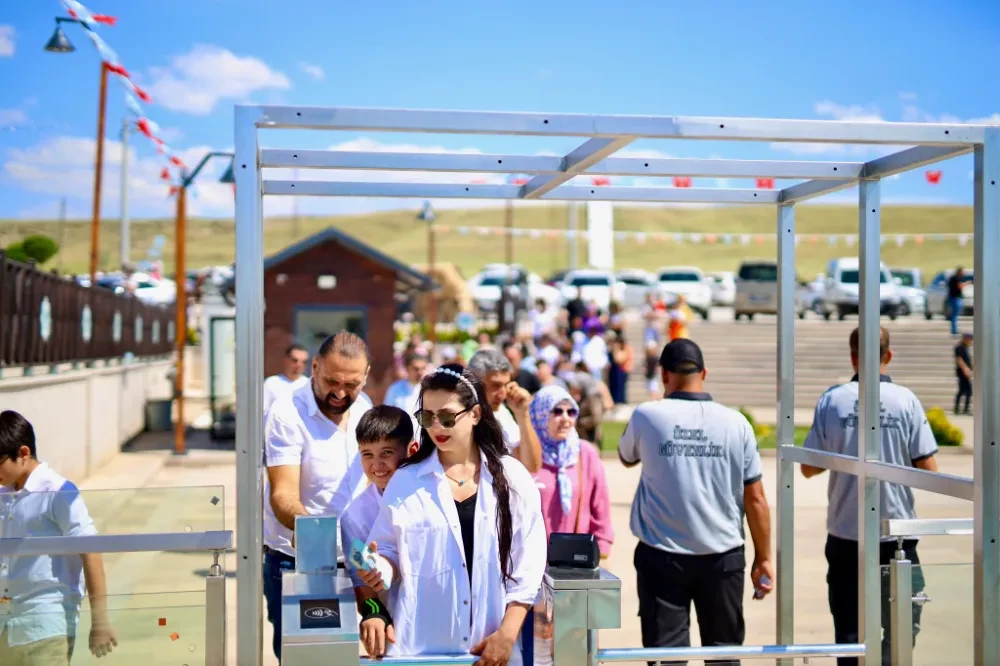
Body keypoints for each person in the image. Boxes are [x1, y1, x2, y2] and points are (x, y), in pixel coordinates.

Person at [358, 364, 546, 665]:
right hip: (420, 648)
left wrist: (507, 634)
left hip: (490, 648)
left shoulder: (512, 478)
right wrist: (378, 566)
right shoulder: (406, 480)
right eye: (426, 417)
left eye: (446, 417)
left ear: (475, 414)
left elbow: (529, 563)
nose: (436, 427)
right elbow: (389, 546)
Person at [618, 339, 773, 666]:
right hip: (723, 558)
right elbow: (755, 498)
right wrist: (764, 557)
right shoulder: (737, 423)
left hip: (662, 555)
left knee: (667, 658)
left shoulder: (648, 415)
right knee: (723, 655)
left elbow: (627, 457)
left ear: (664, 375)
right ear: (704, 373)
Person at [801, 326, 938, 666]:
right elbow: (930, 469)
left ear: (852, 357)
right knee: (902, 627)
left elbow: (807, 468)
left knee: (849, 633)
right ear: (888, 357)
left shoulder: (832, 399)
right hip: (897, 538)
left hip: (846, 534)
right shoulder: (906, 400)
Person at [262, 331, 374, 662]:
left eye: (352, 384)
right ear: (314, 366)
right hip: (299, 562)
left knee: (349, 655)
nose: (340, 393)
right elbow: (282, 492)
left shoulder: (364, 407)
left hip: (356, 559)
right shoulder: (287, 413)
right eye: (332, 381)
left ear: (366, 376)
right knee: (307, 659)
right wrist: (310, 529)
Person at [0, 410, 117, 665]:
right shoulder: (3, 494)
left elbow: (91, 551)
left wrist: (100, 621)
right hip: (5, 627)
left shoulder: (59, 491)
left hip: (46, 624)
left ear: (23, 453)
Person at [340, 405, 419, 660]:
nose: (377, 465)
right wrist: (375, 613)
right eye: (367, 454)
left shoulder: (436, 494)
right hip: (397, 630)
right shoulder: (354, 517)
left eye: (387, 453)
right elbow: (362, 586)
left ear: (411, 450)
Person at [467, 349, 543, 473]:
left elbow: (531, 466)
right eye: (496, 385)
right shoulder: (458, 416)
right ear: (474, 382)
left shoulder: (503, 413)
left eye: (506, 384)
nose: (503, 393)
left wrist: (522, 414)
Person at [263, 344, 309, 415]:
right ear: (286, 360)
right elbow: (262, 411)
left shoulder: (310, 385)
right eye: (295, 360)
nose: (299, 365)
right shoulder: (271, 383)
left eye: (304, 362)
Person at [945, 266, 972, 336]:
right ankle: (954, 330)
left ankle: (954, 330)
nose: (963, 273)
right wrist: (967, 283)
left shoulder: (952, 278)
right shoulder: (956, 278)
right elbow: (959, 286)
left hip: (953, 298)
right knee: (955, 315)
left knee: (955, 314)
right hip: (955, 298)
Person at [954, 332, 973, 415]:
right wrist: (965, 369)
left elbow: (968, 360)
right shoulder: (959, 347)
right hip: (962, 373)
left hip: (965, 372)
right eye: (969, 339)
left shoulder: (965, 347)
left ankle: (960, 409)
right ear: (965, 338)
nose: (970, 341)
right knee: (964, 391)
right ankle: (961, 409)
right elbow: (959, 359)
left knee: (965, 391)